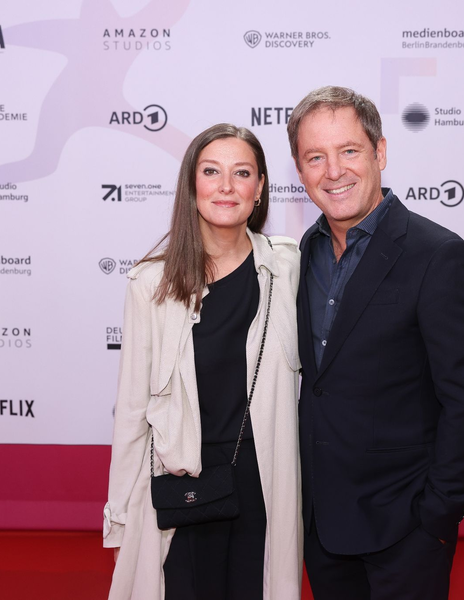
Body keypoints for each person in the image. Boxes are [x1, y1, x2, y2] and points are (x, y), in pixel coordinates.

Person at [288, 86, 464, 599]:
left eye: (349, 151)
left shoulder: (439, 256)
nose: (333, 171)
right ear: (300, 170)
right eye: (316, 157)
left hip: (405, 526)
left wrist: (437, 516)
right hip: (320, 522)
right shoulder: (297, 256)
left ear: (379, 152)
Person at [103, 123, 303, 600]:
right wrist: (121, 519)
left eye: (242, 173)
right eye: (211, 171)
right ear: (192, 185)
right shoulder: (150, 284)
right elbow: (132, 411)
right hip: (180, 484)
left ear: (260, 190)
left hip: (262, 483)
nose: (227, 186)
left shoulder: (289, 266)